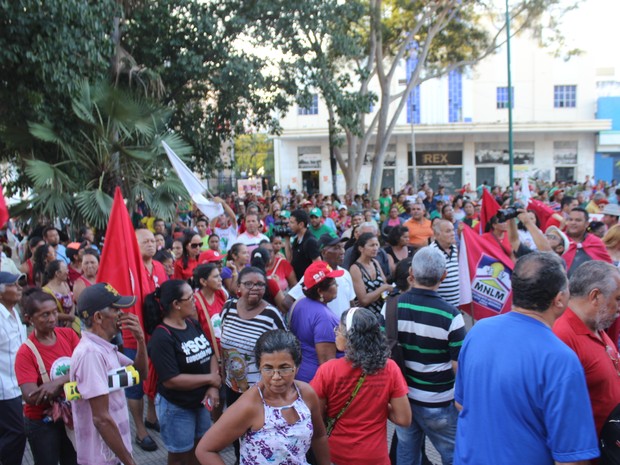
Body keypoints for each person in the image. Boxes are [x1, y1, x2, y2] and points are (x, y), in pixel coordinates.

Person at [454, 252, 599, 465]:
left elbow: (460, 403)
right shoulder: (560, 359)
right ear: (559, 300)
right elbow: (571, 459)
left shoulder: (478, 330)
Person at [196, 330, 330, 465]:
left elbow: (319, 436)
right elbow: (205, 450)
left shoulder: (306, 394)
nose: (276, 377)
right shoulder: (250, 405)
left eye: (284, 368)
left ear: (297, 367)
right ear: (259, 367)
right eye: (268, 368)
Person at [311, 307, 411, 465]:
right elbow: (403, 419)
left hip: (335, 455)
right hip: (375, 457)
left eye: (340, 328)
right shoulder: (390, 368)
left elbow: (316, 416)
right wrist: (379, 403)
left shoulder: (328, 371)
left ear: (351, 337)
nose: (336, 332)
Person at [396, 247, 466, 465]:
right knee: (454, 455)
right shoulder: (451, 316)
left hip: (403, 400)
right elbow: (458, 367)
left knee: (407, 454)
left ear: (411, 273)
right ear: (444, 276)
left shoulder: (390, 308)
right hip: (440, 402)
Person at [144, 280, 221, 465]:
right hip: (177, 408)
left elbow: (209, 353)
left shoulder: (192, 324)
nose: (195, 301)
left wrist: (212, 386)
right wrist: (211, 379)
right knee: (179, 457)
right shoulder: (162, 337)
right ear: (176, 304)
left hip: (200, 402)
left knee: (199, 449)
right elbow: (171, 380)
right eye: (190, 298)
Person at [71, 283, 147, 465]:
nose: (122, 314)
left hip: (113, 454)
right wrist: (130, 462)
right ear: (98, 317)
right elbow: (101, 419)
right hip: (102, 458)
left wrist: (140, 341)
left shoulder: (104, 348)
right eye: (116, 309)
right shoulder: (91, 354)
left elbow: (140, 374)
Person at [219, 266, 287, 460]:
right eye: (248, 283)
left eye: (260, 284)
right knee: (235, 435)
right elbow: (223, 344)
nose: (254, 288)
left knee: (256, 437)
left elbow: (285, 350)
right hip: (231, 387)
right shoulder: (228, 308)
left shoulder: (271, 315)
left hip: (259, 391)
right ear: (238, 286)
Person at [553, 261, 620, 439]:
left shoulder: (596, 326)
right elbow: (561, 412)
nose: (619, 308)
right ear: (595, 296)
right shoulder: (562, 335)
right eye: (618, 299)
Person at [15, 288, 80, 465]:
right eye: (45, 315)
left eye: (54, 313)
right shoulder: (26, 353)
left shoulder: (68, 335)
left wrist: (57, 382)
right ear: (29, 319)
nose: (52, 319)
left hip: (71, 414)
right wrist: (72, 375)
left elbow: (86, 366)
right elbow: (31, 396)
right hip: (41, 423)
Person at [289, 261, 342, 382]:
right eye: (334, 283)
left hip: (301, 372)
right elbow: (327, 364)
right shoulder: (324, 318)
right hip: (315, 381)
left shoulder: (300, 302)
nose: (337, 286)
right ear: (320, 291)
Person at [287, 234, 356, 318]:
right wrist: (310, 320)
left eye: (342, 247)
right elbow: (287, 302)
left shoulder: (345, 273)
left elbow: (351, 302)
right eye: (336, 248)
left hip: (344, 329)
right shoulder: (316, 275)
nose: (342, 251)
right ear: (323, 252)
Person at [0, 272, 27, 465]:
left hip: (16, 385)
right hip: (4, 390)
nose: (19, 288)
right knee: (17, 432)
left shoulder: (14, 311)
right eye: (13, 285)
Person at [350, 232, 393, 317]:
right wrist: (383, 288)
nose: (375, 248)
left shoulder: (375, 263)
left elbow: (385, 285)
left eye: (377, 245)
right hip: (367, 316)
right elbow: (364, 300)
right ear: (361, 248)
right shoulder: (355, 268)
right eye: (372, 245)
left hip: (381, 312)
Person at [563, 207, 612, 276]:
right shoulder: (559, 239)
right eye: (570, 219)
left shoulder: (596, 242)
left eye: (578, 220)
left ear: (586, 224)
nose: (573, 223)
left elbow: (607, 269)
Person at [193, 264, 227, 351]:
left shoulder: (221, 294)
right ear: (203, 282)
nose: (220, 279)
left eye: (219, 275)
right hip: (210, 353)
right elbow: (195, 333)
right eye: (216, 277)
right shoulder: (195, 302)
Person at [429, 219, 460, 307]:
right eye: (448, 231)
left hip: (456, 303)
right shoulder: (431, 251)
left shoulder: (454, 248)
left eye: (453, 230)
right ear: (437, 235)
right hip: (439, 305)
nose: (453, 233)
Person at [286, 209, 321, 282]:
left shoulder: (310, 242)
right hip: (297, 283)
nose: (289, 225)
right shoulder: (297, 239)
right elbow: (289, 260)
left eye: (292, 222)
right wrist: (287, 239)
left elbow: (318, 266)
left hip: (307, 285)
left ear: (301, 224)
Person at [42, 260, 78, 331]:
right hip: (56, 327)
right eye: (65, 270)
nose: (68, 272)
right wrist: (69, 318)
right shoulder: (46, 291)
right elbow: (49, 312)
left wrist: (71, 317)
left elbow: (72, 301)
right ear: (57, 273)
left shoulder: (65, 284)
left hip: (70, 324)